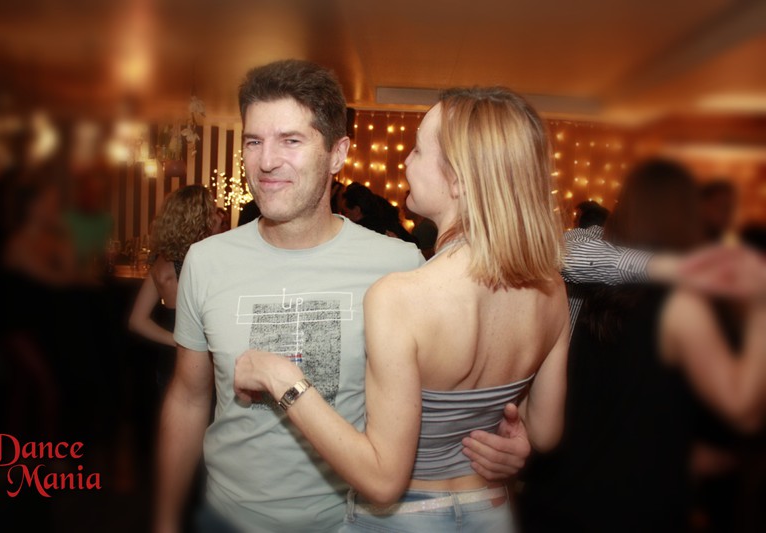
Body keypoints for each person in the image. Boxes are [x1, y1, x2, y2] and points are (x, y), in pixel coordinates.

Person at [155, 60, 525, 533]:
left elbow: (454, 394)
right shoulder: (206, 261)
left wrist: (508, 443)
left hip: (355, 522)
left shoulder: (401, 264)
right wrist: (165, 520)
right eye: (253, 141)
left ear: (337, 154)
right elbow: (188, 398)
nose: (266, 161)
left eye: (290, 140)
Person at [234, 86, 571, 532]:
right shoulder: (551, 289)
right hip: (492, 510)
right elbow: (544, 432)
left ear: (458, 179)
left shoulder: (400, 296)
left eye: (417, 149)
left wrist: (282, 379)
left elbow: (382, 480)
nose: (406, 162)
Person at [515, 158, 766, 533]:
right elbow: (742, 408)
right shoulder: (684, 305)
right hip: (634, 504)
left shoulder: (591, 292)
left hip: (558, 493)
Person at [128, 184, 220, 391]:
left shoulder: (161, 262)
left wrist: (176, 341)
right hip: (200, 365)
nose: (216, 217)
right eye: (212, 211)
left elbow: (137, 321)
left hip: (169, 362)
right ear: (200, 218)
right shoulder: (201, 261)